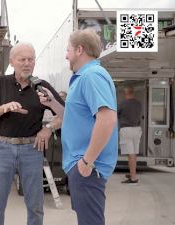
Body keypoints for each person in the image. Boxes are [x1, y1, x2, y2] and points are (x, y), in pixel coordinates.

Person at [39, 29, 118, 225]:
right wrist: (52, 103)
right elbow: (72, 117)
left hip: (88, 166)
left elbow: (107, 119)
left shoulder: (92, 76)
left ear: (79, 50)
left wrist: (86, 162)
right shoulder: (82, 77)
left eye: (68, 50)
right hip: (82, 165)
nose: (66, 55)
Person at [0, 42, 64, 225]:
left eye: (31, 59)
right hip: (2, 148)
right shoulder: (1, 83)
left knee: (35, 204)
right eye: (22, 59)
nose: (27, 63)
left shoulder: (42, 87)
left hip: (31, 149)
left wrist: (48, 128)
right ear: (12, 61)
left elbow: (64, 115)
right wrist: (4, 107)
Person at [118, 86, 142, 184]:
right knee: (134, 153)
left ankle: (133, 178)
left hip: (126, 130)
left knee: (130, 154)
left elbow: (116, 114)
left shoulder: (123, 103)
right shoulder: (138, 104)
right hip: (137, 129)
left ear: (126, 93)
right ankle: (133, 173)